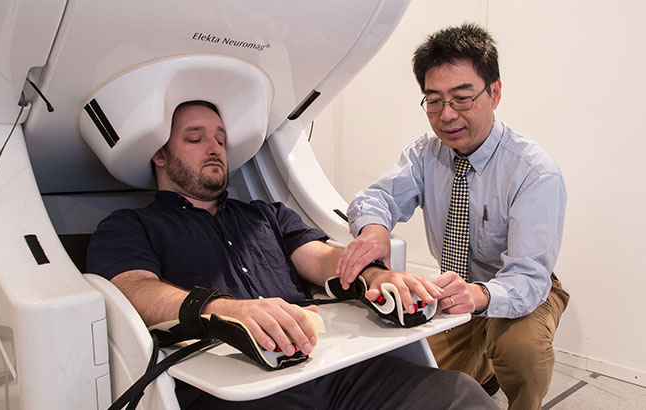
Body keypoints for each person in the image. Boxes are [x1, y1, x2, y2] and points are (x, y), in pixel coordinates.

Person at [87, 100, 498, 410]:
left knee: (460, 394)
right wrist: (227, 311)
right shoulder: (128, 226)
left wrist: (374, 276)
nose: (214, 148)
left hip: (329, 368)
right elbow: (133, 289)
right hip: (236, 388)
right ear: (159, 154)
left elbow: (320, 258)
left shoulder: (266, 214)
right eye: (195, 139)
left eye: (220, 139)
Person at [336, 23, 570, 410]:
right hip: (455, 287)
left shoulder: (533, 172)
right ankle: (483, 368)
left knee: (521, 350)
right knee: (414, 370)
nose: (447, 116)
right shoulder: (425, 154)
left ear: (494, 93)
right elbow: (376, 197)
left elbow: (529, 277)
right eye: (433, 100)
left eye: (462, 98)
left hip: (522, 288)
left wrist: (479, 296)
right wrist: (374, 228)